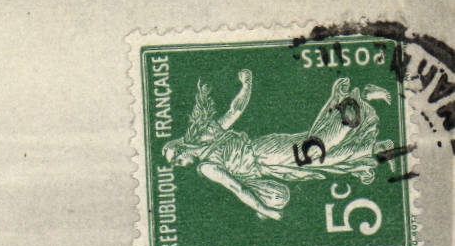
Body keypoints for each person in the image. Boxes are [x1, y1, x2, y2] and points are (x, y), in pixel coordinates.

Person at [162, 70, 393, 220]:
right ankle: (371, 148)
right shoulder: (208, 138)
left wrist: (266, 211)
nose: (181, 165)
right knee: (323, 161)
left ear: (182, 149)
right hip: (269, 166)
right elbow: (236, 111)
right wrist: (247, 84)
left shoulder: (207, 164)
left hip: (264, 153)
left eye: (177, 160)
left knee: (315, 149)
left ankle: (355, 101)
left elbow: (237, 188)